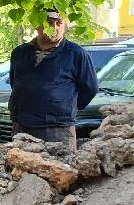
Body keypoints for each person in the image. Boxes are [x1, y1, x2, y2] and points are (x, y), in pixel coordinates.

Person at [7, 8, 98, 149]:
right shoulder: (19, 53)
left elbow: (90, 88)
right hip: (22, 126)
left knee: (59, 169)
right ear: (37, 25)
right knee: (20, 169)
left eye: (59, 23)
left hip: (57, 130)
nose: (54, 27)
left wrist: (63, 106)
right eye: (49, 22)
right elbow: (15, 82)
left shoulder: (76, 54)